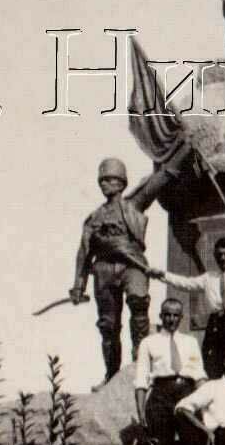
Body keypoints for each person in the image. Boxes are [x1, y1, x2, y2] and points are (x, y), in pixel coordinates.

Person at [69, 152, 188, 390]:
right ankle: (111, 374)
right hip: (103, 270)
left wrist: (183, 152)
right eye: (102, 180)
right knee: (108, 325)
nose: (105, 183)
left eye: (111, 179)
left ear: (122, 183)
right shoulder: (94, 218)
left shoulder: (133, 204)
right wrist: (78, 285)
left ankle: (140, 363)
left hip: (132, 265)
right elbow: (83, 253)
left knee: (139, 301)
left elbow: (159, 180)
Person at [149, 236, 225, 378]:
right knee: (211, 365)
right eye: (219, 254)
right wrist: (163, 275)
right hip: (215, 324)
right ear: (214, 255)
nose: (223, 258)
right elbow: (185, 283)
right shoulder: (208, 278)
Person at [134, 298, 207, 445]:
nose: (171, 319)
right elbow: (141, 380)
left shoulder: (190, 342)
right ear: (161, 316)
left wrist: (206, 405)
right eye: (167, 314)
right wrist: (141, 414)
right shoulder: (149, 342)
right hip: (160, 395)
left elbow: (199, 375)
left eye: (176, 315)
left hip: (186, 393)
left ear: (181, 318)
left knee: (193, 444)